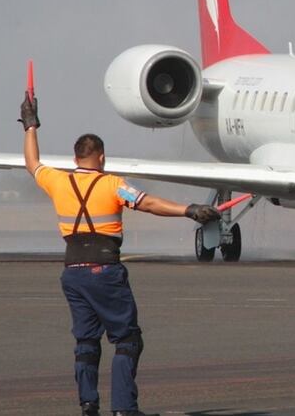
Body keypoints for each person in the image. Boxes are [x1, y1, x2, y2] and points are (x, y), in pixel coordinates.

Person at [20, 93, 219, 416]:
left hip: (73, 273)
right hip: (105, 272)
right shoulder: (113, 185)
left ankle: (88, 404)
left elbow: (32, 164)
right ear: (100, 157)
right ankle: (124, 408)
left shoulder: (58, 181)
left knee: (86, 342)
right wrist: (190, 209)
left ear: (75, 158)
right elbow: (150, 203)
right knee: (127, 340)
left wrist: (30, 126)